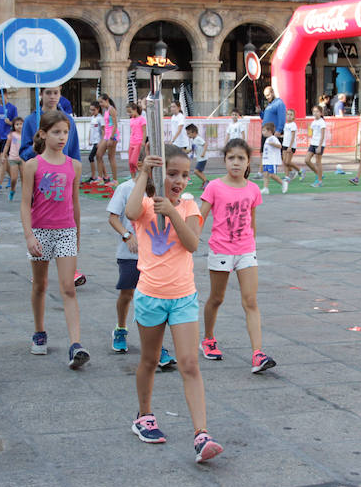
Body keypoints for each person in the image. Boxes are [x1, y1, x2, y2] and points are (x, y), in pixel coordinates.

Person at [125, 145, 223, 463]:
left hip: (183, 297)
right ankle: (144, 415)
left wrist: (172, 211)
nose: (179, 180)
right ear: (158, 173)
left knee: (189, 363)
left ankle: (201, 434)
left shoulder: (190, 205)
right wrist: (143, 173)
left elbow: (193, 244)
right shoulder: (144, 204)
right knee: (150, 361)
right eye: (172, 173)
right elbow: (128, 213)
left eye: (184, 174)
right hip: (150, 296)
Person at [199, 138, 276, 374]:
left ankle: (257, 353)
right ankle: (208, 338)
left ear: (248, 162)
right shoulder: (213, 186)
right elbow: (199, 218)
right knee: (217, 298)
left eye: (241, 158)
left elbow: (252, 222)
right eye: (231, 158)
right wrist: (187, 239)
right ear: (224, 161)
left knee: (250, 301)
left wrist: (251, 247)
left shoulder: (253, 190)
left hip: (246, 251)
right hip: (220, 250)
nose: (236, 162)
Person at [21, 110, 89, 369]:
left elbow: (75, 203)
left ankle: (76, 344)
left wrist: (77, 234)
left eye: (66, 132)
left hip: (66, 231)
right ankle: (39, 331)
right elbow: (25, 204)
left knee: (68, 288)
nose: (62, 137)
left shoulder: (75, 166)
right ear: (43, 134)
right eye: (56, 132)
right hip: (40, 231)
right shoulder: (32, 165)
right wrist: (29, 235)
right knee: (40, 284)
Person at [105, 156, 176, 368]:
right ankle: (120, 328)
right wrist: (127, 235)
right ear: (139, 167)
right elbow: (113, 217)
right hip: (131, 254)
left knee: (154, 300)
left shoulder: (161, 190)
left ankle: (158, 345)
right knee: (127, 294)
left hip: (155, 255)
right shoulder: (126, 188)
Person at [19, 86, 81, 163]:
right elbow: (24, 154)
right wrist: (35, 147)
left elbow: (74, 151)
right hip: (40, 170)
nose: (52, 97)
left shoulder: (68, 120)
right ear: (41, 94)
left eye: (56, 93)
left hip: (63, 170)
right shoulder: (30, 120)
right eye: (48, 93)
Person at [0, 93, 18, 191]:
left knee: (4, 159)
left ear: (6, 95)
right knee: (4, 160)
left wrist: (10, 122)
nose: (0, 98)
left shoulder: (12, 108)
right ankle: (12, 177)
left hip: (8, 136)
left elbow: (16, 123)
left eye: (2, 96)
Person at [95, 94, 120, 186]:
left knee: (111, 157)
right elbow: (106, 127)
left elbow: (115, 125)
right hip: (106, 135)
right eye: (99, 102)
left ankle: (115, 180)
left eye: (101, 102)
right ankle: (100, 178)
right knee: (98, 155)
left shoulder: (111, 109)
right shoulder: (106, 110)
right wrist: (102, 140)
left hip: (112, 136)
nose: (100, 104)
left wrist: (111, 138)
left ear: (106, 100)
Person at [259, 122, 288, 194]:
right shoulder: (267, 139)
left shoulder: (273, 138)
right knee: (265, 174)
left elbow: (279, 146)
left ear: (269, 131)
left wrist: (273, 144)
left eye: (264, 130)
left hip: (272, 160)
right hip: (266, 160)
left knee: (271, 174)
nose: (263, 132)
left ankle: (283, 183)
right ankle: (265, 188)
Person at [0, 117, 24, 200]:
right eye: (17, 124)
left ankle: (25, 195)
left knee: (24, 177)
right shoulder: (12, 135)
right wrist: (3, 155)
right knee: (14, 178)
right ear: (14, 126)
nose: (19, 126)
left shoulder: (25, 135)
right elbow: (6, 145)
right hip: (13, 158)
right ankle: (12, 190)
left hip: (22, 158)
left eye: (21, 124)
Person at [304, 105, 327, 187]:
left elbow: (323, 135)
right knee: (307, 160)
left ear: (321, 113)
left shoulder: (322, 122)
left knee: (318, 162)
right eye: (314, 111)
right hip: (313, 143)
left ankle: (319, 181)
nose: (315, 113)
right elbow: (312, 133)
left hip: (319, 144)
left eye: (317, 111)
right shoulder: (313, 122)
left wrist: (320, 146)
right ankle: (319, 173)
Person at [261, 86, 286, 153]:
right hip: (265, 132)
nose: (267, 97)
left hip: (274, 133)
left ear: (272, 93)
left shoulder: (279, 103)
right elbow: (264, 117)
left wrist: (278, 130)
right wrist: (260, 113)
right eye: (265, 96)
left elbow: (282, 118)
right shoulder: (269, 105)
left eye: (268, 95)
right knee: (264, 152)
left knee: (275, 153)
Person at [127, 102, 147, 178]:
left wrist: (143, 141)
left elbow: (144, 131)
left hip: (138, 142)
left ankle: (142, 175)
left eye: (130, 111)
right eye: (128, 112)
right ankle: (133, 179)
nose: (129, 114)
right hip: (132, 142)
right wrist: (129, 144)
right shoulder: (131, 119)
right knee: (130, 163)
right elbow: (132, 132)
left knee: (134, 161)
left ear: (135, 110)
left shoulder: (142, 119)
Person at [281, 108, 303, 180]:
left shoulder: (293, 125)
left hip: (291, 146)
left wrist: (290, 146)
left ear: (294, 117)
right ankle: (287, 176)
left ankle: (300, 170)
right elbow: (286, 135)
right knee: (284, 162)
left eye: (291, 115)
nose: (289, 116)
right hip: (284, 144)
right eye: (288, 114)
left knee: (288, 162)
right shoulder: (286, 124)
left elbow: (293, 136)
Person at [85, 101, 103, 183]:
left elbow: (103, 131)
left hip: (98, 141)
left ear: (98, 109)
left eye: (93, 110)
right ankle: (104, 176)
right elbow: (91, 130)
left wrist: (101, 142)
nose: (92, 112)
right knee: (98, 158)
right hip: (94, 141)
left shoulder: (100, 118)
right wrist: (89, 140)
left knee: (91, 157)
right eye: (90, 110)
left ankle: (94, 176)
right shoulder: (93, 118)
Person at [186, 123, 208, 189]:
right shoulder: (194, 140)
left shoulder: (198, 138)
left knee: (196, 171)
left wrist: (203, 153)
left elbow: (205, 144)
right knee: (199, 171)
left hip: (202, 158)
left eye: (189, 133)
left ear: (194, 132)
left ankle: (206, 182)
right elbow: (193, 149)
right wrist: (187, 151)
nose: (188, 135)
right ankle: (205, 182)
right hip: (200, 159)